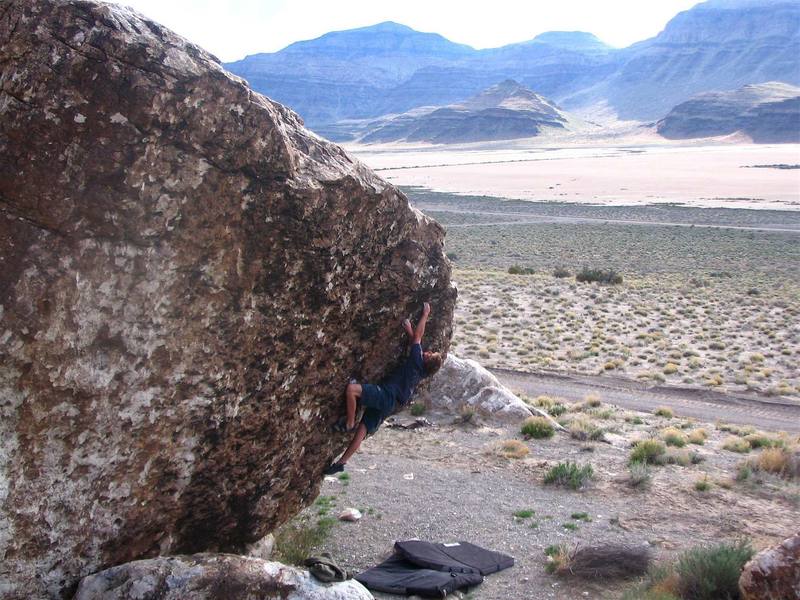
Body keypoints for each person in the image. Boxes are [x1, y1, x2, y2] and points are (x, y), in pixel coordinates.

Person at [324, 302, 443, 475]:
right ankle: (342, 462)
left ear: (426, 360)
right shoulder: (421, 371)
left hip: (386, 395)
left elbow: (418, 338)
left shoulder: (417, 362)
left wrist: (425, 314)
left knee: (352, 390)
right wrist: (409, 330)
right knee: (363, 429)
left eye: (430, 354)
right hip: (391, 404)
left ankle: (349, 423)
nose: (427, 351)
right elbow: (415, 343)